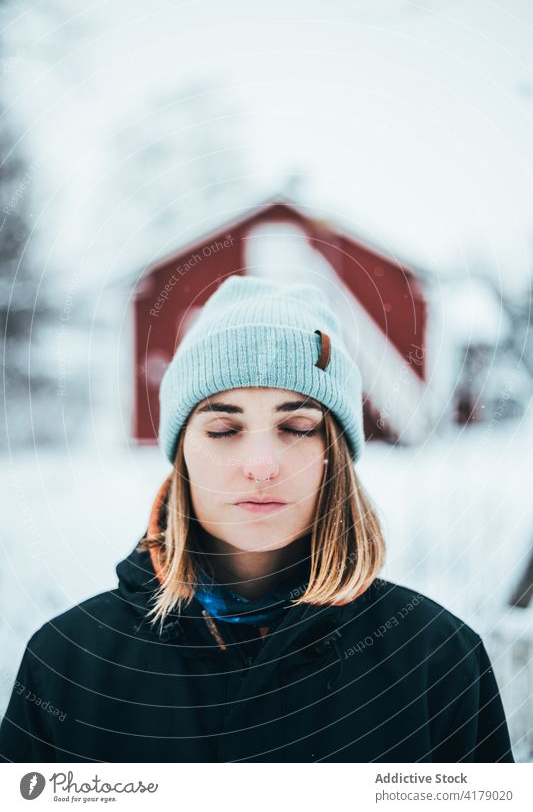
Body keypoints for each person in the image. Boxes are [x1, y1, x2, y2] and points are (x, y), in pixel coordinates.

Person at [0, 275, 514, 763]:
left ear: (334, 454)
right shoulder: (69, 664)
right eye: (224, 429)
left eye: (296, 426)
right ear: (182, 453)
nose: (262, 466)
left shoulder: (436, 659)